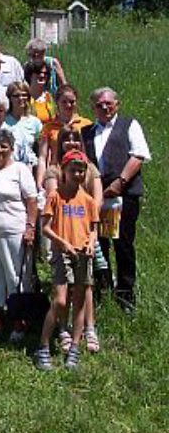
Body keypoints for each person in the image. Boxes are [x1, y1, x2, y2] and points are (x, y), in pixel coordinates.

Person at [81, 87, 150, 313]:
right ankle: (102, 290)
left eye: (108, 103)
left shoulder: (129, 125)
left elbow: (138, 155)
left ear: (117, 104)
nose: (104, 107)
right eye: (99, 104)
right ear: (93, 108)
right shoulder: (86, 132)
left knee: (124, 245)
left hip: (124, 196)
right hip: (96, 199)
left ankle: (126, 295)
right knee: (98, 245)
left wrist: (120, 182)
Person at [35, 151, 99, 371]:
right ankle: (43, 346)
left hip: (83, 253)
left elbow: (93, 227)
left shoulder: (88, 200)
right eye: (73, 170)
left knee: (79, 301)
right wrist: (62, 243)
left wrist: (91, 242)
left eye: (81, 170)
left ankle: (74, 348)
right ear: (64, 171)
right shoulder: (55, 197)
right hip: (63, 252)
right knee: (61, 301)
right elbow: (45, 227)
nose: (77, 174)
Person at [43, 126, 104, 352]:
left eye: (75, 140)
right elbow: (54, 201)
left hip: (84, 233)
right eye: (66, 141)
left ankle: (88, 330)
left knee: (84, 287)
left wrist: (90, 235)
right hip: (62, 237)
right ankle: (63, 329)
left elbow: (96, 200)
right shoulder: (53, 171)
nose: (71, 143)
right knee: (62, 290)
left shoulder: (90, 170)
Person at [0, 129, 38, 341]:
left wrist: (30, 227)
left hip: (14, 231)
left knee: (15, 275)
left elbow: (32, 201)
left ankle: (19, 322)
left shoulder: (20, 169)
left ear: (11, 149)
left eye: (4, 146)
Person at [37, 84, 92, 188]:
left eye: (72, 102)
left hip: (80, 172)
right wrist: (40, 183)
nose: (68, 105)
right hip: (57, 173)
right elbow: (42, 157)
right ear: (57, 103)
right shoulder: (48, 127)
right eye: (64, 102)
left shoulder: (86, 124)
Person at [5, 81, 42, 166]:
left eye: (24, 95)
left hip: (30, 165)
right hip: (9, 165)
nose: (21, 98)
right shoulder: (3, 121)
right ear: (10, 98)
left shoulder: (35, 122)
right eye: (16, 95)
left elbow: (40, 148)